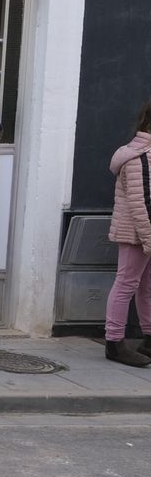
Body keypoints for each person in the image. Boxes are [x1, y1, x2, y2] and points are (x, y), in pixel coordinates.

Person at [104, 99, 151, 367]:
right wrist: (149, 239)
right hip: (136, 233)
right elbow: (141, 203)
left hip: (144, 232)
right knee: (126, 284)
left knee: (146, 285)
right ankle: (114, 343)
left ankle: (149, 339)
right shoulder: (139, 156)